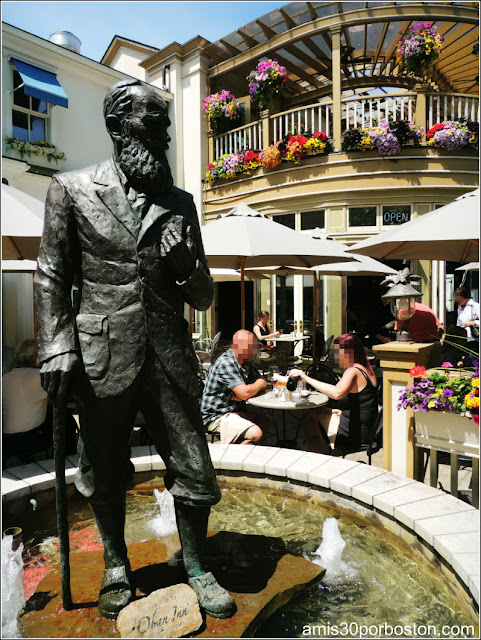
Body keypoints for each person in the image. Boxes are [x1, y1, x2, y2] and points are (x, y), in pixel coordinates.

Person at [34, 79, 235, 620]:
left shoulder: (181, 203)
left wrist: (185, 266)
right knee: (104, 468)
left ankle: (196, 565)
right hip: (102, 355)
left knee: (196, 469)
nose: (166, 132)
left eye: (166, 122)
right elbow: (52, 273)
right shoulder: (72, 188)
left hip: (169, 355)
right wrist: (56, 345)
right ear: (119, 125)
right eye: (155, 121)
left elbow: (204, 294)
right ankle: (116, 564)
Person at [289, 333, 378, 453]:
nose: (335, 357)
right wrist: (342, 411)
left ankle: (315, 459)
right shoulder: (366, 369)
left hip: (355, 435)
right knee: (318, 411)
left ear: (348, 352)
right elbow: (360, 402)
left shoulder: (353, 371)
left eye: (337, 352)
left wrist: (306, 378)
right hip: (365, 429)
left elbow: (336, 393)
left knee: (309, 420)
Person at [2, 339, 77, 464]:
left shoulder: (6, 377)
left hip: (7, 440)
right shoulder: (37, 377)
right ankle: (69, 462)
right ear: (35, 358)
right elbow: (66, 393)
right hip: (28, 438)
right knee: (66, 419)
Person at [201, 330, 272, 444]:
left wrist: (252, 387)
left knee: (265, 421)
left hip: (235, 410)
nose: (255, 350)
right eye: (251, 346)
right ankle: (230, 458)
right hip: (216, 416)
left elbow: (262, 384)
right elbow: (246, 393)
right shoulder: (226, 363)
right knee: (256, 433)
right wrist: (252, 387)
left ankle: (240, 449)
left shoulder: (246, 361)